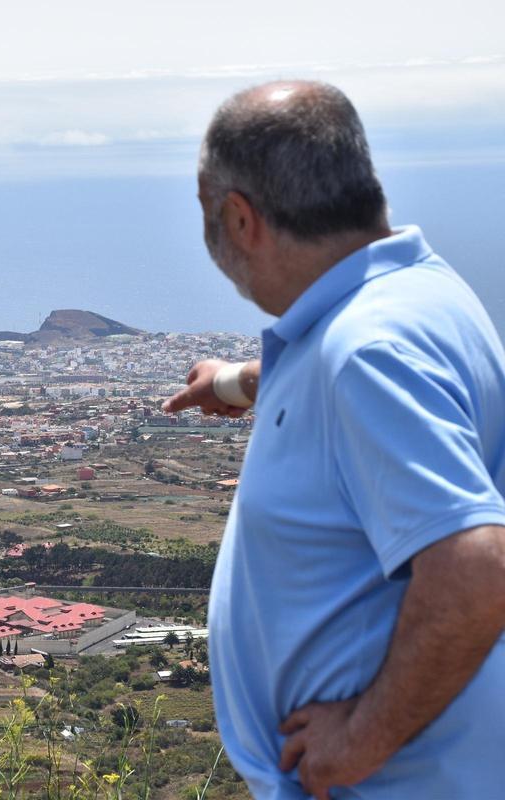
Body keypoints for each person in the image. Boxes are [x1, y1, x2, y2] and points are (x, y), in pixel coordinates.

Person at [168, 81, 505, 799]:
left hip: (397, 782)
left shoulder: (366, 352)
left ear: (239, 217)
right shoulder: (417, 295)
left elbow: (476, 569)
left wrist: (360, 740)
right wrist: (235, 382)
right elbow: (348, 384)